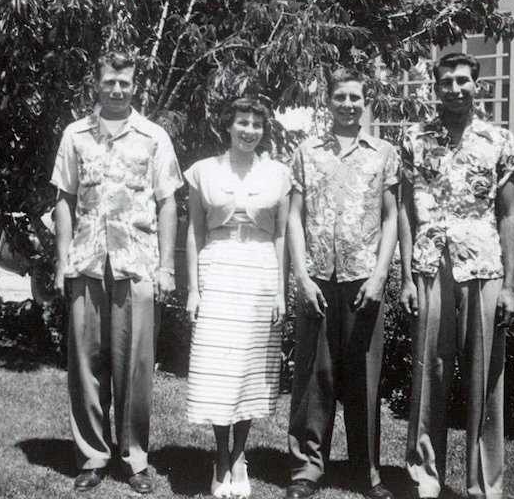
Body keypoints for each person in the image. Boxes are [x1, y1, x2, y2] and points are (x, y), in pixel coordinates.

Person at [51, 51, 183, 494]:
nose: (117, 90)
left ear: (134, 86)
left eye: (124, 83)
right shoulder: (75, 135)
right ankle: (91, 456)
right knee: (86, 364)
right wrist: (61, 262)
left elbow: (168, 202)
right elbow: (64, 200)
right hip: (87, 264)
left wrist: (167, 267)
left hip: (137, 264)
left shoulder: (153, 136)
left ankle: (134, 458)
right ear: (97, 84)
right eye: (109, 82)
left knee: (135, 367)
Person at [399, 53, 514, 499]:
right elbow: (405, 212)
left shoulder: (499, 140)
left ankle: (483, 484)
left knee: (484, 376)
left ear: (478, 84)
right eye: (446, 81)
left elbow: (508, 214)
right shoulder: (414, 138)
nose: (455, 89)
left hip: (484, 266)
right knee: (429, 371)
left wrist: (509, 285)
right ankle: (425, 478)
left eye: (463, 81)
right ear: (435, 86)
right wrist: (407, 277)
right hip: (431, 266)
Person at [286, 68, 399, 499]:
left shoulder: (383, 152)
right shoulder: (306, 151)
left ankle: (365, 471)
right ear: (328, 101)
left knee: (363, 379)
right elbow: (294, 215)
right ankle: (307, 468)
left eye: (355, 97)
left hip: (363, 281)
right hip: (317, 278)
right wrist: (300, 274)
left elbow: (391, 217)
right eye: (340, 97)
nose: (348, 105)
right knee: (313, 379)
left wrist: (381, 274)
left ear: (365, 102)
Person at [184, 97, 291, 499]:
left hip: (260, 270)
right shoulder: (203, 172)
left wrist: (281, 290)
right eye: (242, 123)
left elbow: (281, 234)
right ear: (227, 127)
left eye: (257, 125)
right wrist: (193, 289)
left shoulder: (279, 175)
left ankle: (240, 456)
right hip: (217, 266)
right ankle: (220, 457)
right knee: (218, 365)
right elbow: (194, 231)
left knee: (249, 364)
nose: (249, 131)